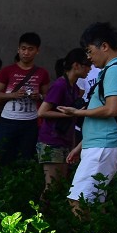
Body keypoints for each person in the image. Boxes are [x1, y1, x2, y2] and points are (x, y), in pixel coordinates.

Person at [56, 22, 117, 218]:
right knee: (93, 204)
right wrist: (81, 146)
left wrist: (77, 113)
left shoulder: (114, 71)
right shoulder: (112, 70)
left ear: (104, 46)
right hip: (98, 145)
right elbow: (103, 115)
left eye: (90, 51)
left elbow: (112, 109)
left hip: (103, 146)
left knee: (78, 200)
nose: (89, 58)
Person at [36, 48, 90, 205]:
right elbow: (42, 112)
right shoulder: (60, 85)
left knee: (59, 185)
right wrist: (72, 114)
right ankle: (40, 220)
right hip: (51, 141)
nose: (90, 68)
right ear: (76, 65)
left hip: (63, 141)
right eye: (86, 65)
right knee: (51, 186)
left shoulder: (73, 87)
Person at [0, 32, 50, 165]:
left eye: (30, 49)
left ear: (37, 51)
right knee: (0, 155)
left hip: (30, 122)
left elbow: (48, 97)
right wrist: (13, 95)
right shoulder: (7, 71)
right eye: (23, 49)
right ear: (18, 49)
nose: (26, 53)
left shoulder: (42, 73)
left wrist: (38, 96)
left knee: (25, 157)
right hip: (8, 120)